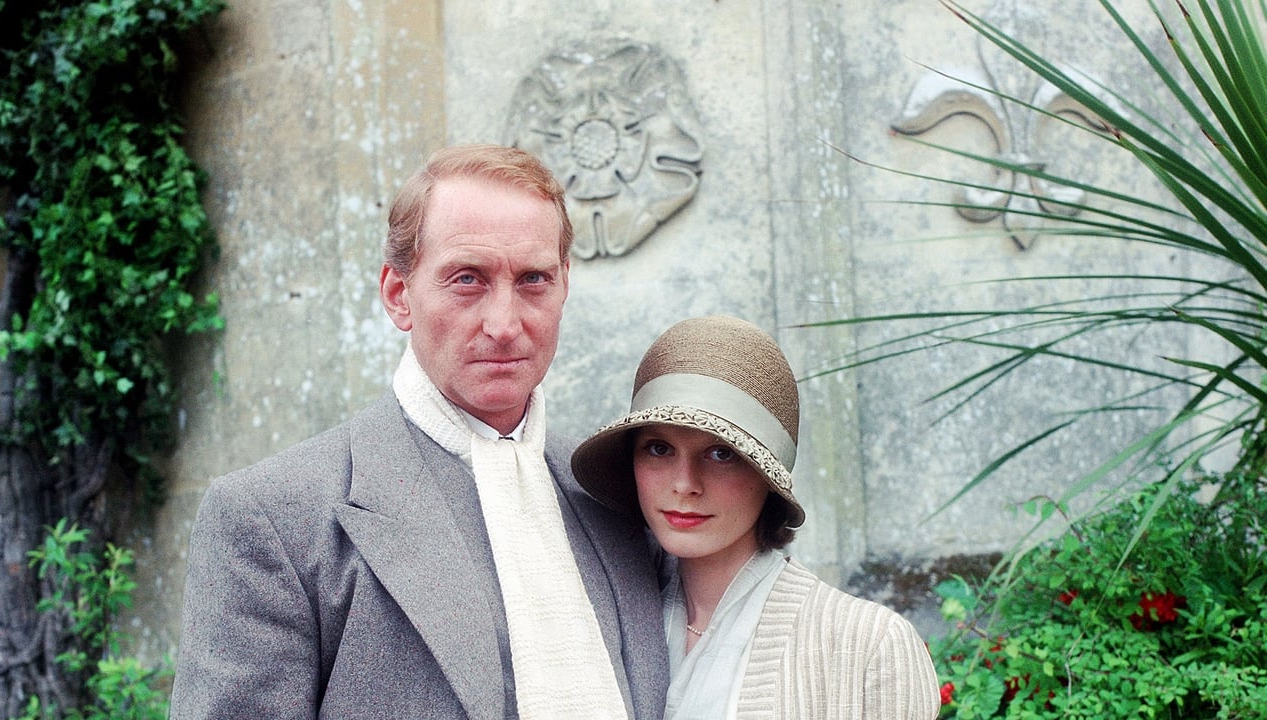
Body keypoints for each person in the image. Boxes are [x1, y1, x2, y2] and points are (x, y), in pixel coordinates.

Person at [170, 144, 669, 719]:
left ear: (564, 287)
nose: (504, 324)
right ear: (397, 294)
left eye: (533, 279)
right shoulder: (273, 518)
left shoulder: (619, 497)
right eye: (467, 279)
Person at [571, 315, 941, 719]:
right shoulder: (600, 626)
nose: (684, 484)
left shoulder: (869, 646)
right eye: (659, 448)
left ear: (767, 476)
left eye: (721, 453)